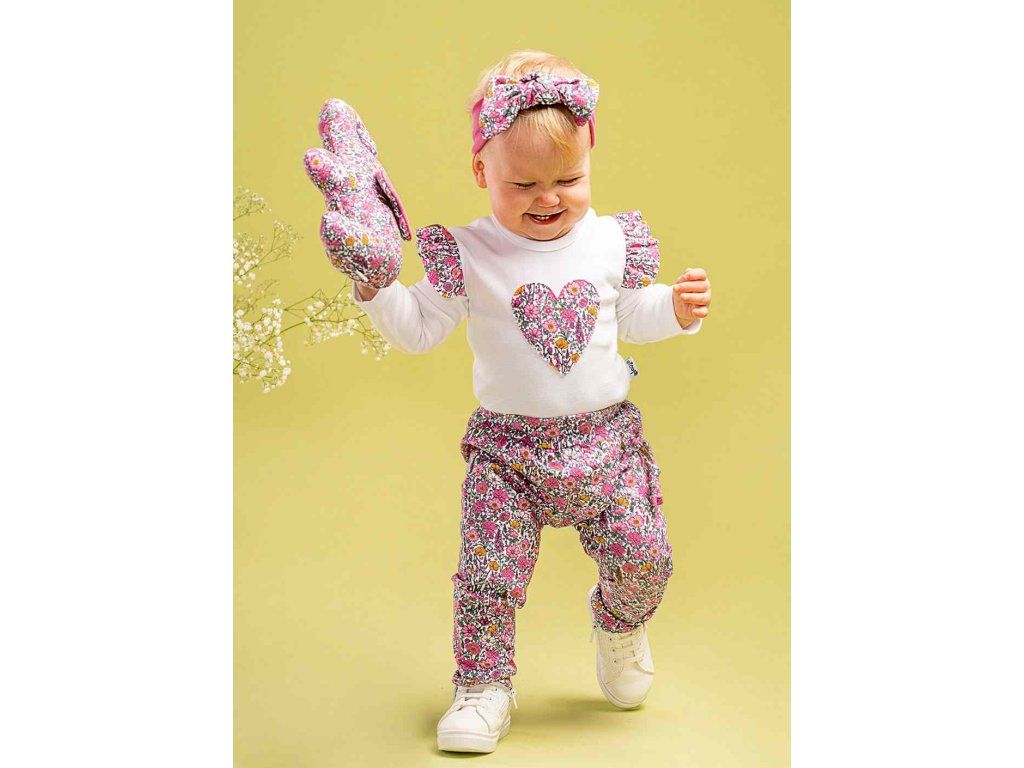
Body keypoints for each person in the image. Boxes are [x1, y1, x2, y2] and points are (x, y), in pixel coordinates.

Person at [333, 50, 711, 753]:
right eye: (524, 183)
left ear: (590, 160)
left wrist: (677, 310)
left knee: (645, 556)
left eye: (569, 179)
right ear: (481, 172)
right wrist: (374, 286)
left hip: (607, 445)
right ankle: (483, 686)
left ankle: (620, 621)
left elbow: (631, 314)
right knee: (488, 577)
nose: (548, 198)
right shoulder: (469, 253)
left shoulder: (610, 241)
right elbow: (418, 329)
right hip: (507, 453)